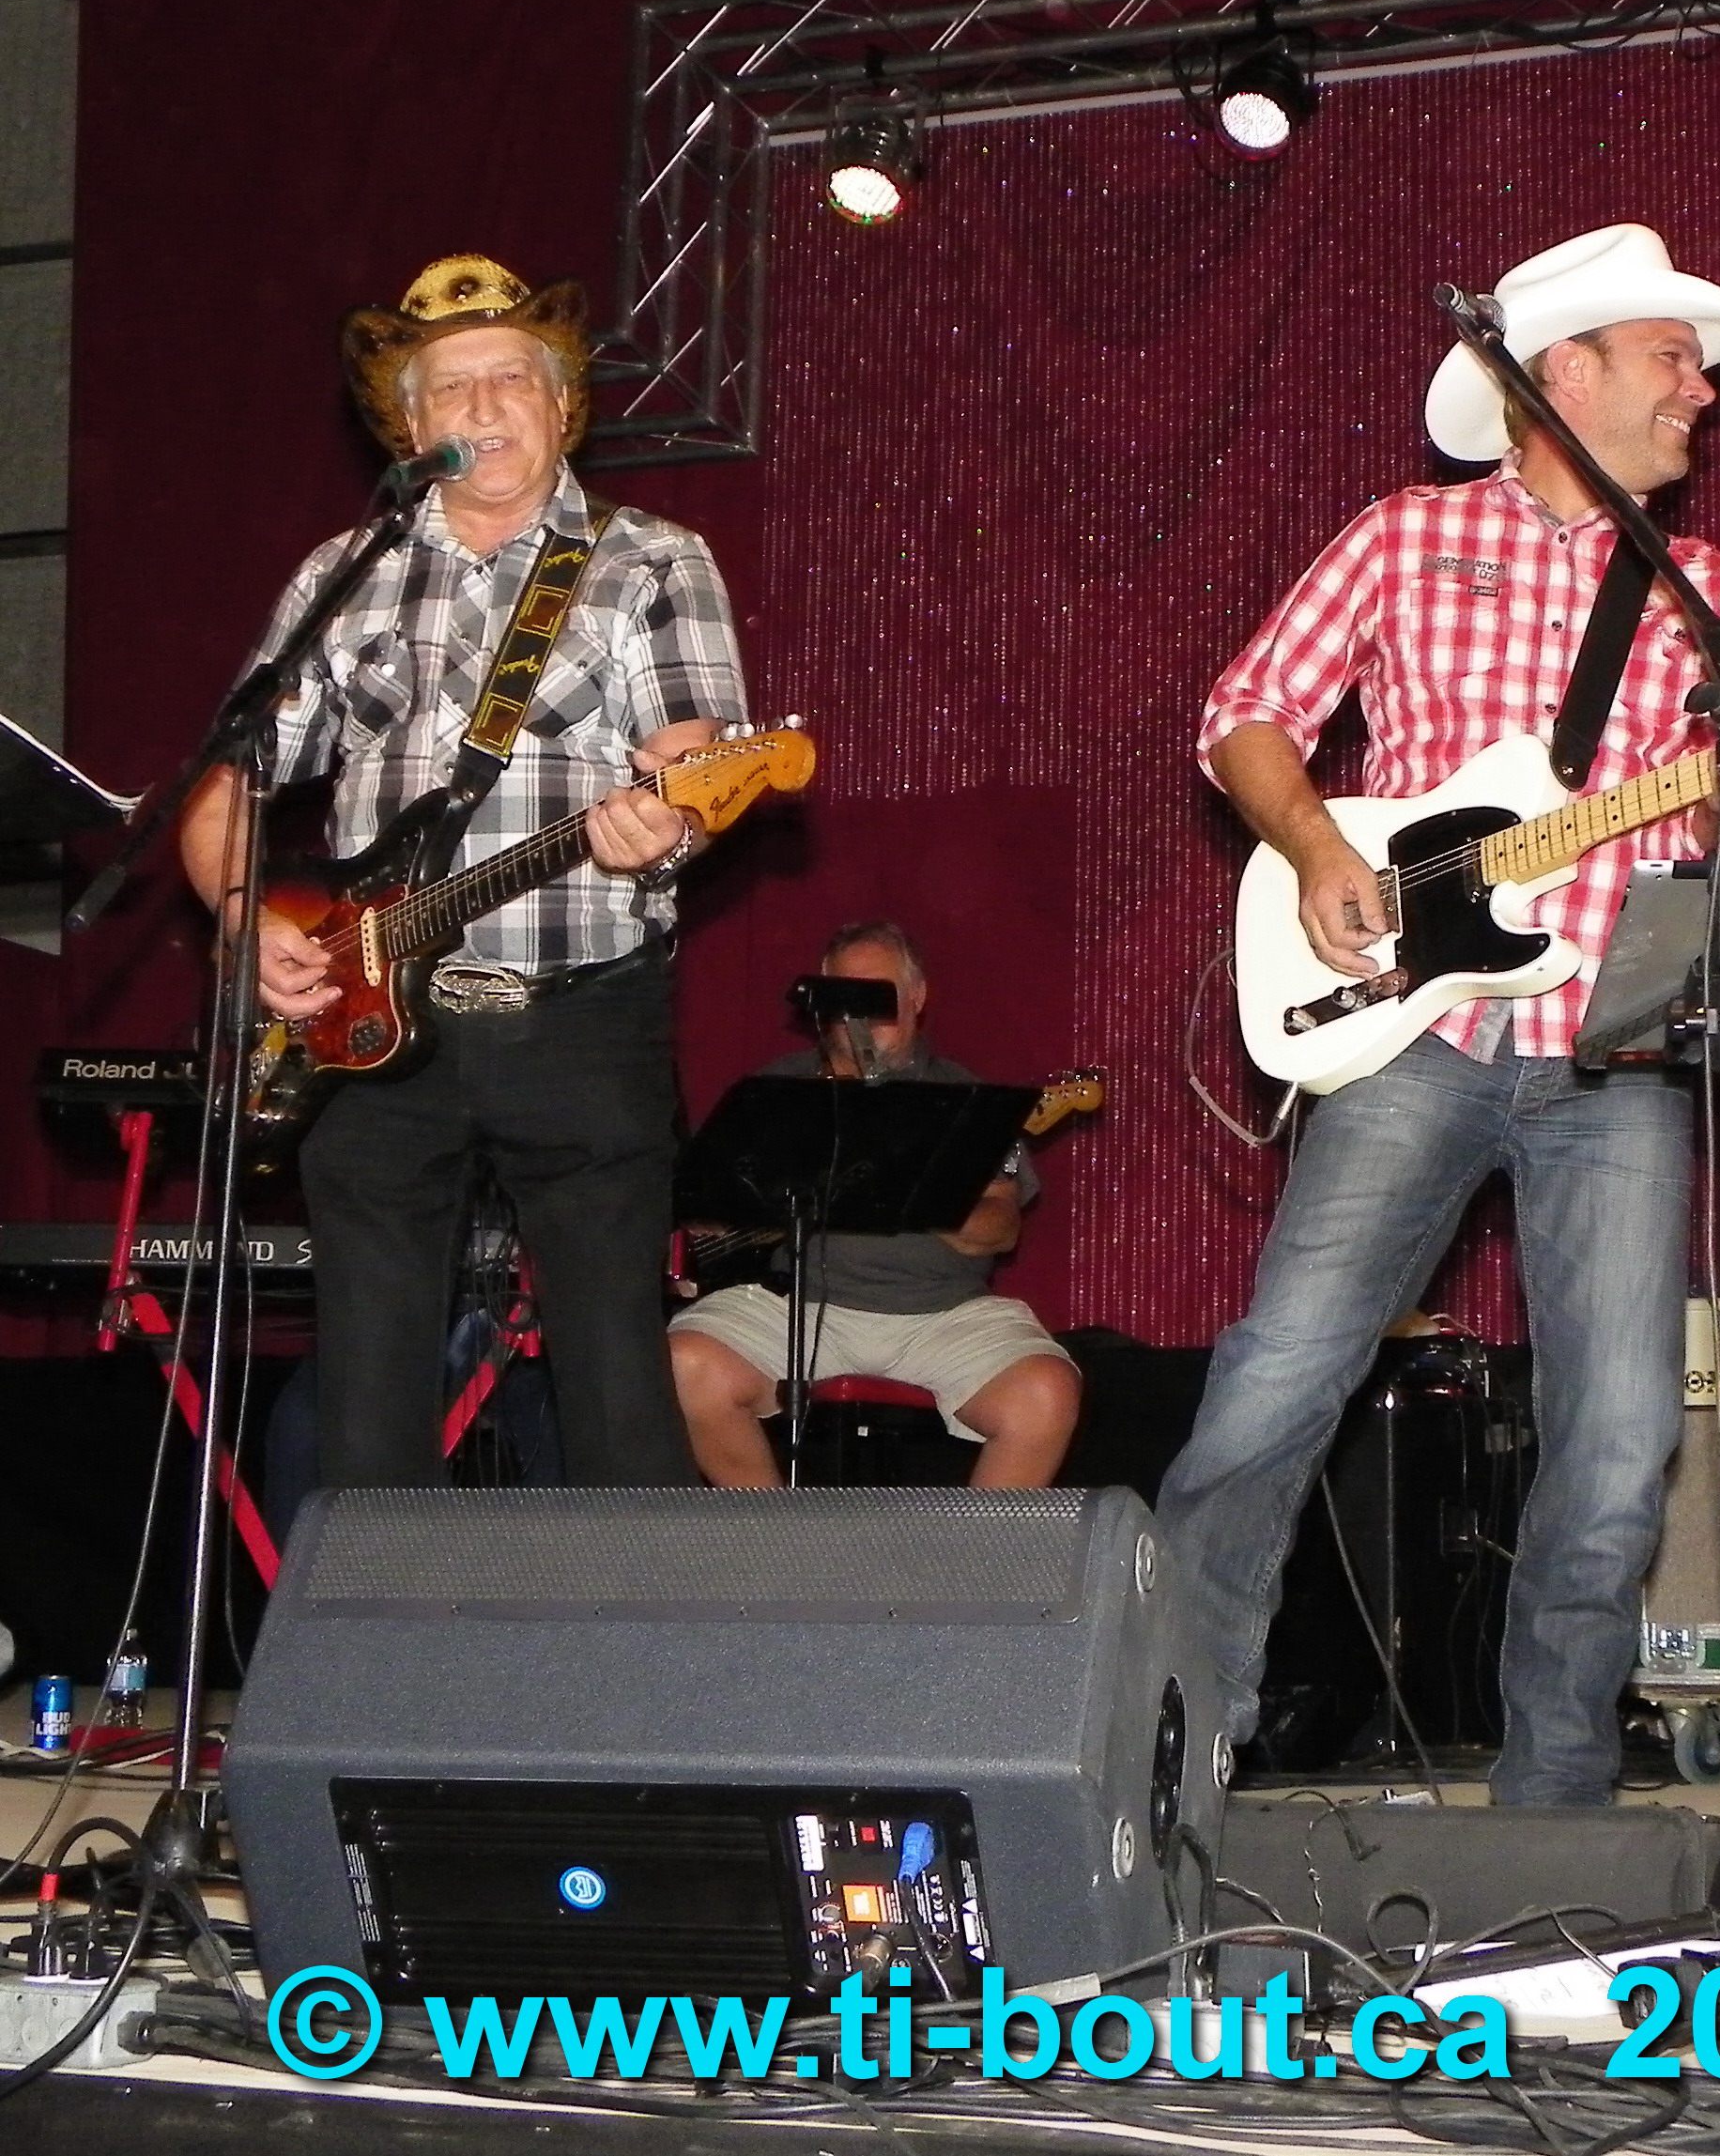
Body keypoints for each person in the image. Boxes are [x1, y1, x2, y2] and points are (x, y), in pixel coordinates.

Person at [1153, 223, 1720, 1807]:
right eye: (1671, 357)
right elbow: (1243, 714)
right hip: (1412, 1031)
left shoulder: (1708, 591)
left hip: (1617, 1045)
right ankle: (1161, 1742)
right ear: (1563, 369)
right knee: (1273, 1381)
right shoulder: (1403, 535)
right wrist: (1319, 851)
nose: (1702, 390)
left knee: (1622, 1433)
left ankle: (1556, 1803)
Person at [179, 254, 749, 1489]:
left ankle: (638, 1617)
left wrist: (668, 822)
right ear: (410, 426)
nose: (483, 407)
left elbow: (694, 756)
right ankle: (375, 1610)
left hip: (579, 1008)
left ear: (561, 406)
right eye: (450, 388)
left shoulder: (652, 558)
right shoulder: (345, 572)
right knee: (365, 1391)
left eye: (511, 380)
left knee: (615, 1381)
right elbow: (232, 779)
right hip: (370, 1014)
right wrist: (239, 912)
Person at [668, 922, 1081, 1488]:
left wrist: (913, 1188)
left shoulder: (963, 1097)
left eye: (878, 995)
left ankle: (971, 1550)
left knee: (1046, 1392)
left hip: (942, 1315)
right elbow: (706, 1210)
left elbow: (1001, 1228)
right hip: (794, 1306)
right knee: (683, 1362)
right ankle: (773, 1534)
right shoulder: (777, 1089)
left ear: (917, 996)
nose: (860, 1015)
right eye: (845, 995)